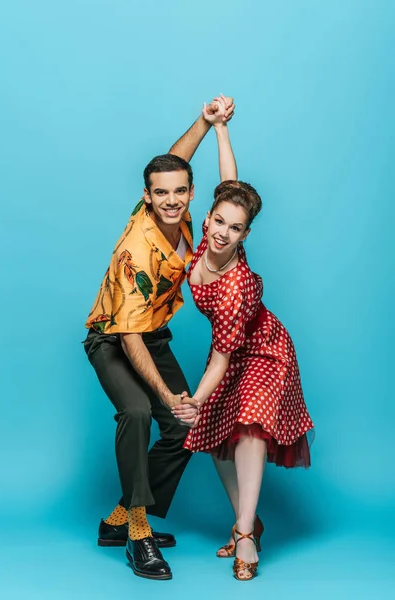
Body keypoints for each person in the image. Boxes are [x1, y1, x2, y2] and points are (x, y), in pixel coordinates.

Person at [83, 96, 234, 580]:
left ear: (190, 194)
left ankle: (118, 520)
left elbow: (175, 162)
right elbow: (128, 339)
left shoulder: (184, 213)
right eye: (160, 193)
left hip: (153, 335)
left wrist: (206, 123)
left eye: (179, 192)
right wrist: (167, 394)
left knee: (187, 425)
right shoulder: (136, 249)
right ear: (146, 197)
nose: (171, 200)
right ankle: (138, 534)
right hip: (112, 338)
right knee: (140, 410)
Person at [173, 98, 314, 581]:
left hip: (266, 351)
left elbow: (218, 358)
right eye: (219, 220)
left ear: (245, 234)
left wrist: (193, 399)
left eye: (236, 228)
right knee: (215, 441)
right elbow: (230, 184)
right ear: (208, 216)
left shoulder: (239, 286)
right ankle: (246, 522)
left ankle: (247, 537)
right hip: (230, 352)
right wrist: (219, 128)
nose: (223, 232)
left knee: (250, 425)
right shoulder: (203, 239)